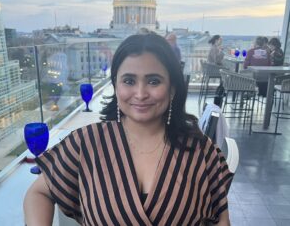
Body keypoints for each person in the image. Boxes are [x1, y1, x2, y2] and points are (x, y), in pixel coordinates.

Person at [24, 33, 232, 225]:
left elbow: (222, 218)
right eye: (129, 81)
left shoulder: (201, 152)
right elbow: (38, 193)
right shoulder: (85, 143)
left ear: (172, 88)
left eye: (153, 81)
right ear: (116, 85)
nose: (140, 94)